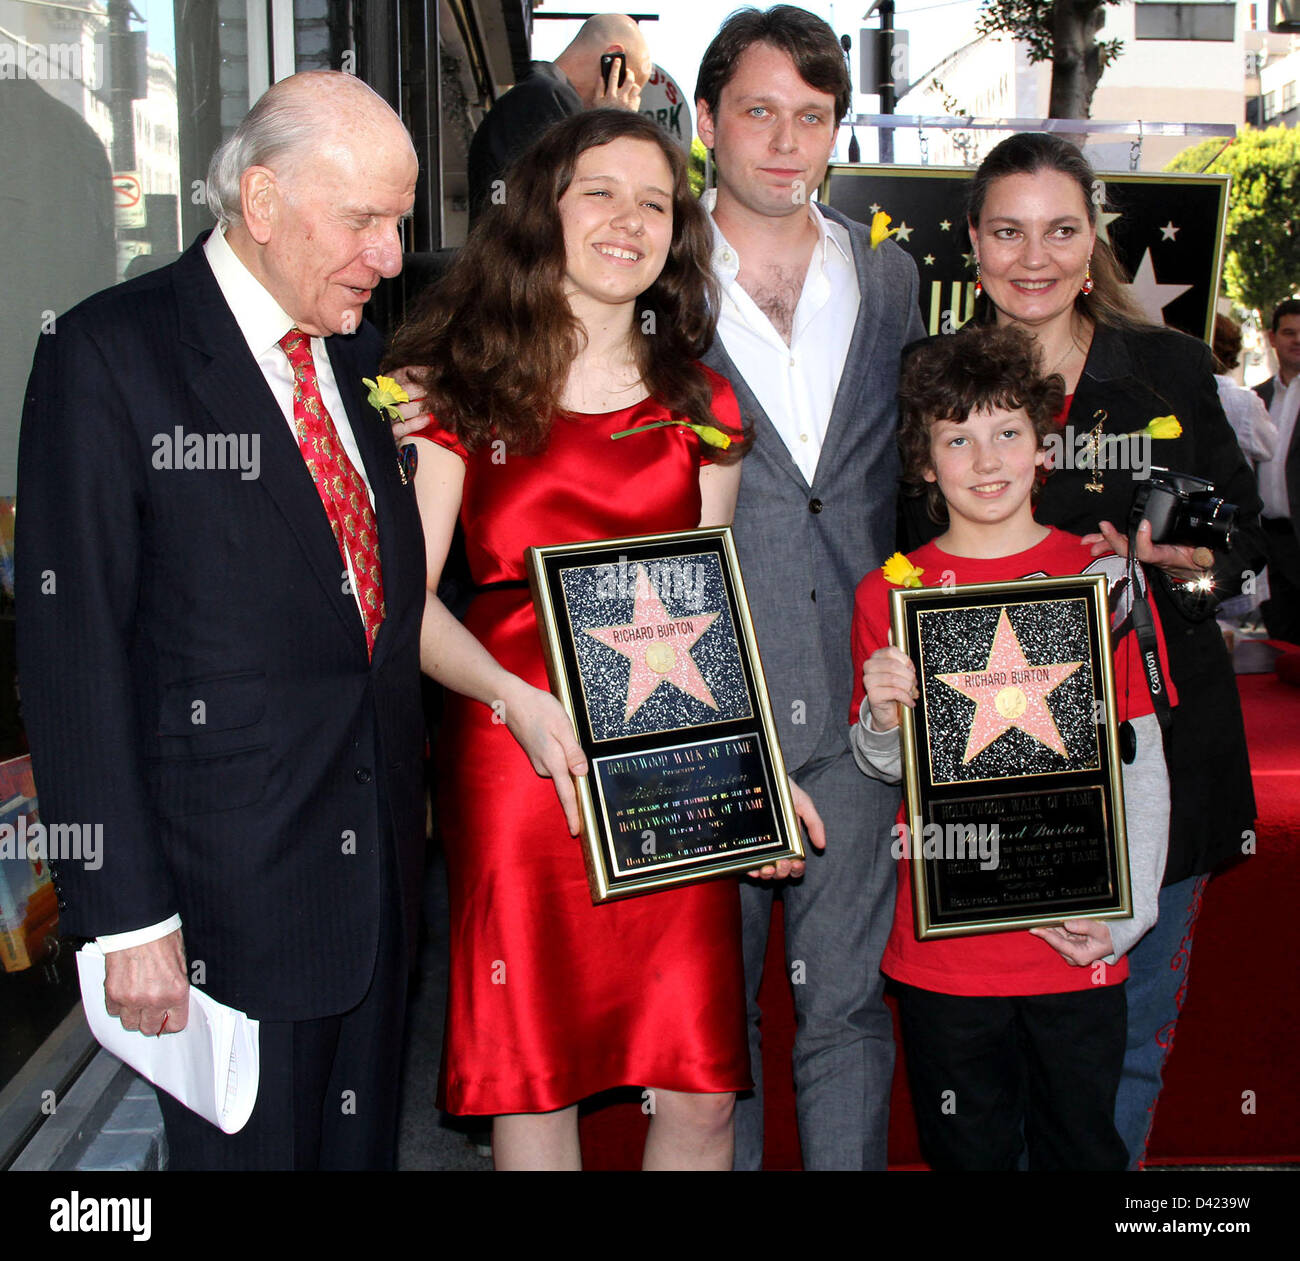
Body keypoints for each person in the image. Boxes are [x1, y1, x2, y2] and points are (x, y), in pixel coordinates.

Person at [385, 109, 822, 1171]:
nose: (629, 220)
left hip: (663, 759)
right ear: (543, 209)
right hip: (513, 755)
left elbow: (704, 612)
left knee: (700, 1084)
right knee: (539, 1080)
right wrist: (512, 699)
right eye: (600, 191)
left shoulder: (701, 403)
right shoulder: (450, 388)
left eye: (654, 202)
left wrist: (751, 768)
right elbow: (405, 605)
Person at [14, 72, 428, 1170]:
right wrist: (127, 915)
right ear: (259, 200)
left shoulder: (364, 358)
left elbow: (371, 616)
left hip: (376, 891)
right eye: (364, 223)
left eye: (401, 222)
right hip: (219, 915)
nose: (390, 256)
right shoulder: (108, 357)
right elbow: (72, 656)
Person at [902, 131, 1264, 1169]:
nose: (1033, 257)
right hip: (987, 771)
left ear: (1090, 238)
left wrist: (1174, 566)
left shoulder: (1164, 365)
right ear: (970, 242)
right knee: (991, 1053)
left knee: (1121, 1044)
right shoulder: (932, 374)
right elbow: (892, 553)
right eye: (1006, 231)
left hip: (1159, 749)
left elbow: (1238, 540)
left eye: (1060, 230)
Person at [852, 324, 1172, 1171]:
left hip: (1076, 943)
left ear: (1043, 449)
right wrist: (883, 718)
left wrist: (1127, 914)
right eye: (957, 437)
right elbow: (888, 769)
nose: (985, 459)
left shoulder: (1098, 581)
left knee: (1083, 1151)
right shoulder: (889, 590)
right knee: (968, 1152)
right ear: (925, 461)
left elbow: (1140, 762)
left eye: (1007, 432)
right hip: (947, 957)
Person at [692, 5, 924, 1170]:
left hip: (856, 706)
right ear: (706, 122)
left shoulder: (888, 274)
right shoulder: (650, 272)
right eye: (759, 111)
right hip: (697, 705)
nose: (786, 141)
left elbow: (902, 479)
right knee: (705, 1038)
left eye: (812, 117)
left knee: (840, 1014)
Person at [467, 14, 652, 222]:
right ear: (613, 61)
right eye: (626, 84)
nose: (626, 99)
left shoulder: (534, 94)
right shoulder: (551, 100)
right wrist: (613, 123)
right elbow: (585, 203)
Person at [1254, 298, 1300, 643]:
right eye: (1289, 332)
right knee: (1279, 641)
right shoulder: (1256, 398)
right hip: (1266, 542)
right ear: (1272, 337)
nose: (1297, 340)